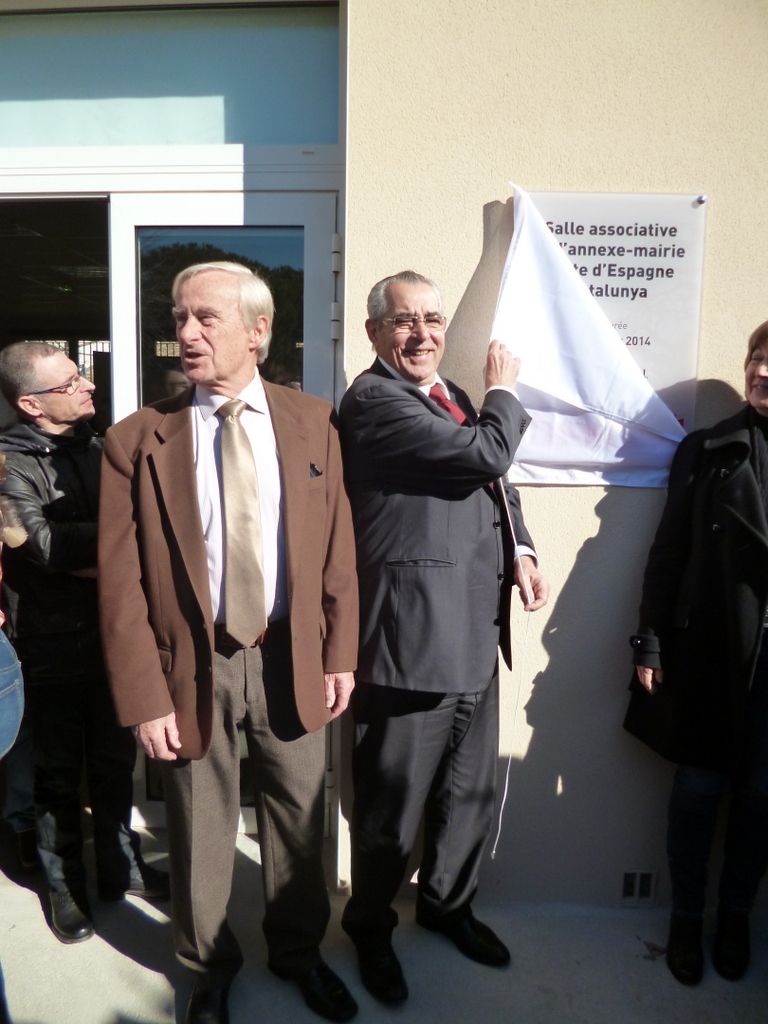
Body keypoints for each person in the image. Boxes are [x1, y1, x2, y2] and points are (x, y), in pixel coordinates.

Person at [98, 262, 360, 1024]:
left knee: (301, 818)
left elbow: (338, 547)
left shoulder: (314, 422)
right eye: (179, 318)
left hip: (291, 653)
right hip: (193, 662)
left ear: (258, 331)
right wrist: (146, 696)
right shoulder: (136, 441)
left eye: (206, 318)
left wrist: (340, 650)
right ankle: (207, 970)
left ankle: (298, 952)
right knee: (199, 825)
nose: (185, 333)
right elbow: (120, 588)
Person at [338, 270, 549, 1004]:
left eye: (432, 318)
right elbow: (485, 456)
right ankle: (369, 930)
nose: (423, 333)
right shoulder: (372, 402)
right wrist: (505, 392)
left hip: (474, 630)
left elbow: (499, 488)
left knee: (470, 793)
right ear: (375, 333)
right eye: (404, 321)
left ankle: (447, 905)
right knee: (391, 806)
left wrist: (520, 547)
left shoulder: (445, 396)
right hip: (411, 641)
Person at [0, 343, 169, 946]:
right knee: (56, 775)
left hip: (116, 635)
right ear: (30, 403)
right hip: (47, 647)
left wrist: (98, 550)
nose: (88, 387)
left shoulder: (102, 448)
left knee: (114, 762)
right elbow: (39, 548)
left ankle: (119, 869)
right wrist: (122, 545)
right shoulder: (6, 464)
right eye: (70, 382)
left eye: (83, 377)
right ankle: (64, 885)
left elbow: (102, 536)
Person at [626, 318, 768, 986]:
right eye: (758, 359)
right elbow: (668, 555)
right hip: (710, 657)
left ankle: (735, 916)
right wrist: (650, 642)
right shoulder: (707, 449)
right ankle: (687, 917)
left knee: (762, 801)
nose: (763, 373)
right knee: (697, 795)